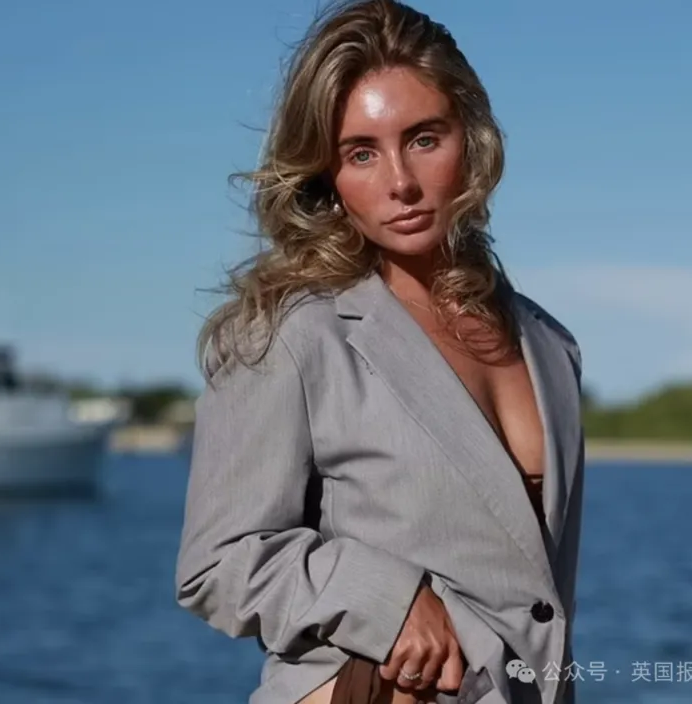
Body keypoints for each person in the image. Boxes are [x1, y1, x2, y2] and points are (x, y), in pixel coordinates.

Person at [175, 1, 585, 703]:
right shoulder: (292, 333)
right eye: (361, 153)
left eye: (423, 139)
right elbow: (217, 563)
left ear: (471, 138)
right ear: (327, 177)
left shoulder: (549, 345)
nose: (400, 182)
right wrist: (389, 599)